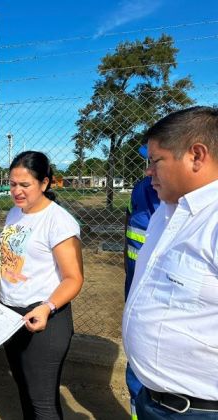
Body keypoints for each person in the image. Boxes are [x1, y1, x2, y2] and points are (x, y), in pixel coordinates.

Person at [122, 106, 218, 419]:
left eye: (155, 161)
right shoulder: (166, 213)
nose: (147, 171)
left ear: (196, 156)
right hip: (153, 400)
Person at [0, 151, 84, 419]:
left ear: (44, 183)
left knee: (43, 402)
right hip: (10, 314)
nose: (17, 191)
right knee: (24, 390)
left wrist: (47, 307)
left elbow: (74, 278)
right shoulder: (15, 213)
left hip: (44, 316)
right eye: (12, 184)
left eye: (25, 185)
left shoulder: (58, 221)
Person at [123, 145, 160, 420]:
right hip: (137, 293)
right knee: (138, 364)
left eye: (158, 161)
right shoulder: (142, 190)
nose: (148, 170)